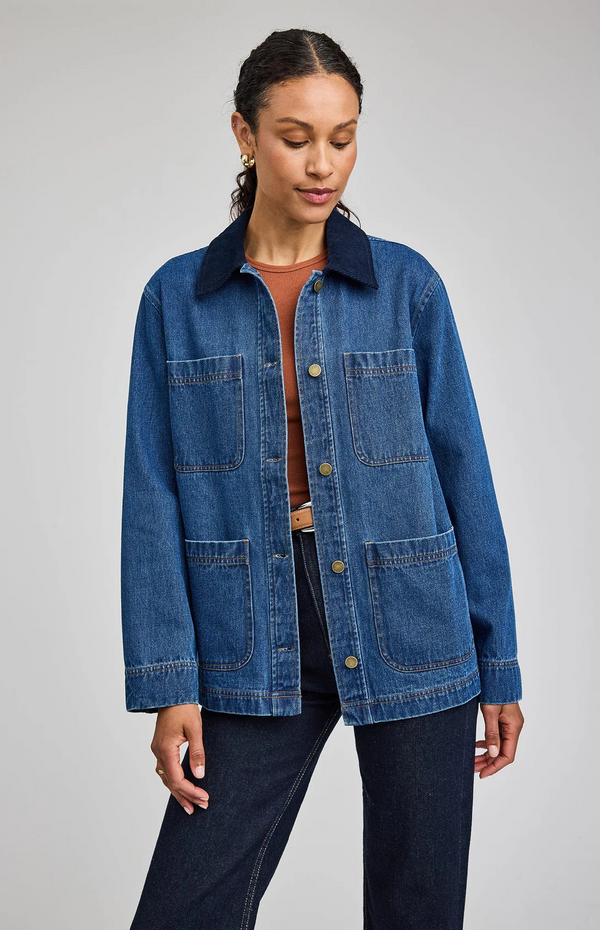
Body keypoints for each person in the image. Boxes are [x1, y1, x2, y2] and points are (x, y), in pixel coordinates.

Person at [121, 27, 525, 930]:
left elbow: (465, 472)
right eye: (296, 137)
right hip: (251, 630)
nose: (322, 164)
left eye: (342, 138)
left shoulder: (406, 287)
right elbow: (151, 494)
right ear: (244, 133)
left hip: (414, 620)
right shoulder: (176, 300)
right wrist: (170, 681)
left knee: (418, 909)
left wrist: (499, 660)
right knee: (184, 907)